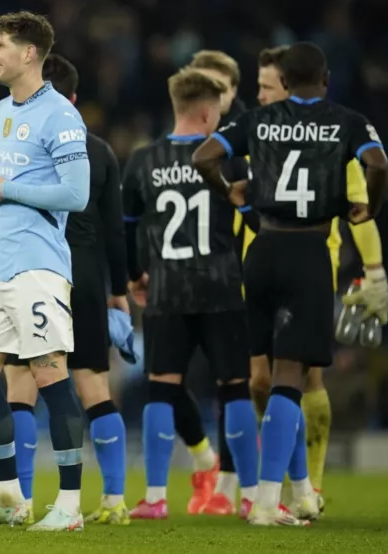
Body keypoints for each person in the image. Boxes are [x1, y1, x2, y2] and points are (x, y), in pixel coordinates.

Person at [192, 42, 388, 526]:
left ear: (283, 78)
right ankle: (265, 501)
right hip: (309, 254)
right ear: (324, 79)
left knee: (260, 377)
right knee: (288, 378)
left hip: (261, 252)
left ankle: (297, 489)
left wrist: (232, 192)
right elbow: (379, 165)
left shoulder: (258, 121)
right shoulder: (345, 120)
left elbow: (204, 156)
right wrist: (374, 207)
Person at [0, 12, 90, 532]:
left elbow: (75, 194)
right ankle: (9, 495)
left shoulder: (60, 115)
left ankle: (70, 507)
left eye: (0, 45)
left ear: (29, 53)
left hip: (37, 266)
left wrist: (7, 188)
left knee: (50, 376)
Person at [122, 69, 260, 521]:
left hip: (167, 289)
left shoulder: (143, 160)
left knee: (162, 390)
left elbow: (128, 228)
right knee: (235, 389)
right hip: (221, 285)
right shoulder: (229, 159)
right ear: (206, 113)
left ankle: (157, 498)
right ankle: (251, 496)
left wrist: (134, 275)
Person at [1, 53, 132, 525]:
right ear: (73, 99)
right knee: (92, 384)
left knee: (21, 385)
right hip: (87, 275)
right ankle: (115, 499)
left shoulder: (16, 140)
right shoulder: (98, 150)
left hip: (32, 270)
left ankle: (20, 502)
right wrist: (119, 290)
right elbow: (116, 231)